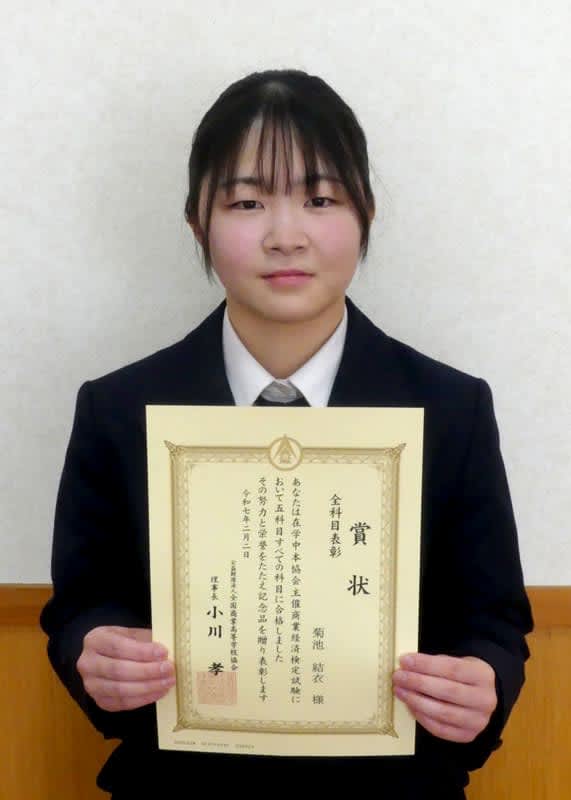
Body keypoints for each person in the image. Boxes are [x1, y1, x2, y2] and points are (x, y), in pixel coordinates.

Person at [40, 68, 533, 799]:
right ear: (197, 222)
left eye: (320, 199)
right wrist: (97, 652)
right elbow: (81, 606)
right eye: (246, 202)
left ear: (365, 213)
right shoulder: (118, 409)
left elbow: (492, 621)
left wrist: (483, 680)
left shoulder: (451, 408)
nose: (285, 236)